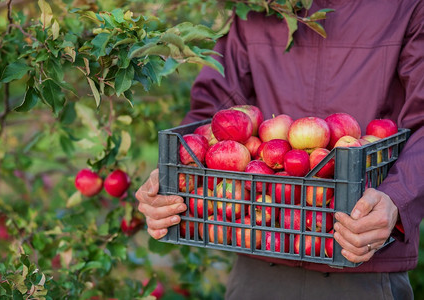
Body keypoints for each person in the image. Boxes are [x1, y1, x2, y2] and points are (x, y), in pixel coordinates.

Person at [136, 1, 423, 299]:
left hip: (360, 257)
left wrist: (397, 198)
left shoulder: (405, 5)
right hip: (261, 247)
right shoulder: (260, 5)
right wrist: (175, 173)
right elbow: (217, 110)